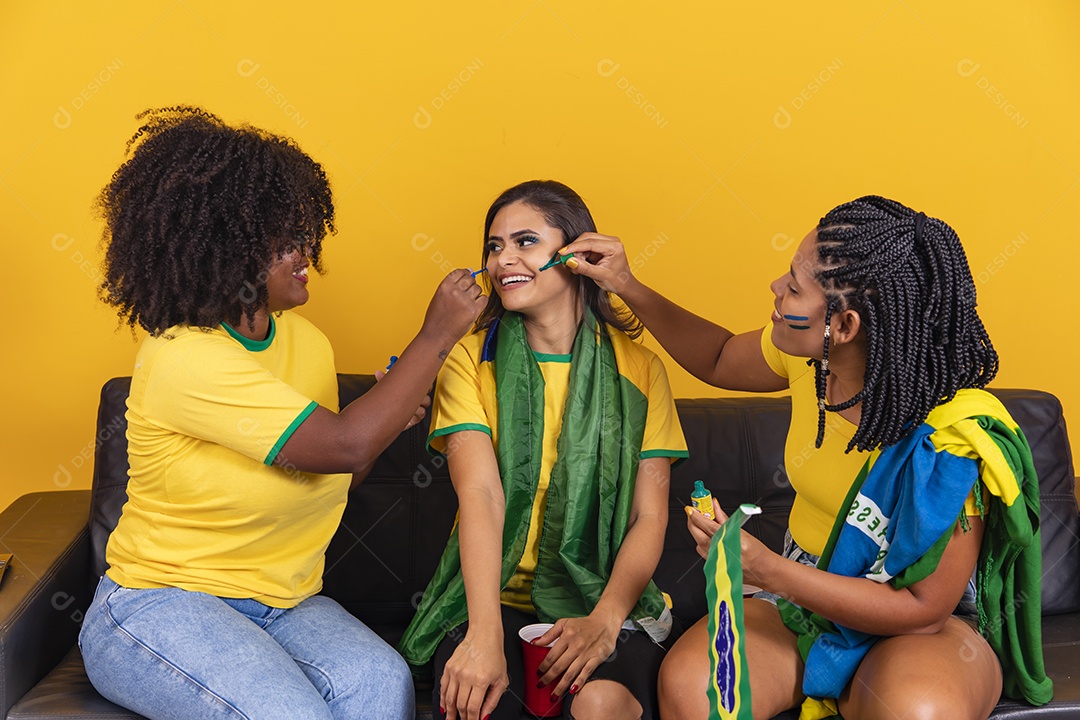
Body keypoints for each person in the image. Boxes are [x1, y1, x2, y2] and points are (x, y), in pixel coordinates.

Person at [559, 196, 1051, 719]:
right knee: (698, 692)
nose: (775, 287)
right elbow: (719, 355)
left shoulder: (951, 441)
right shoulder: (812, 364)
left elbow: (921, 609)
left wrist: (767, 571)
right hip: (801, 598)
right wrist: (626, 284)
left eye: (794, 285)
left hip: (911, 620)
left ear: (843, 326)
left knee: (915, 710)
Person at [78, 106, 487, 720]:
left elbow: (337, 472)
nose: (306, 251)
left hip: (284, 602)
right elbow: (344, 444)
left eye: (304, 231)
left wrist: (385, 419)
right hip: (163, 602)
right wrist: (437, 336)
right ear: (226, 248)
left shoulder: (307, 343)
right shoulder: (182, 356)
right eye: (283, 238)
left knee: (383, 685)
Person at [397, 180, 689, 720]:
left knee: (601, 702)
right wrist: (483, 637)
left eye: (525, 241)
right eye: (493, 245)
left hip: (602, 600)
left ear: (576, 255)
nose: (503, 258)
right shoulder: (469, 361)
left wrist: (605, 621)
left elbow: (650, 516)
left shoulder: (643, 370)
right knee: (475, 702)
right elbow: (480, 495)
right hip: (494, 600)